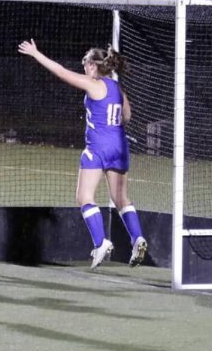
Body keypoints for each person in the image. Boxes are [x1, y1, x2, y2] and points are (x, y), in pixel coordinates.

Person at [18, 40, 147, 268]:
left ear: (92, 65)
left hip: (98, 146)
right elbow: (127, 116)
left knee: (84, 196)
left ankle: (100, 242)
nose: (83, 66)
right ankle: (137, 237)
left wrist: (36, 54)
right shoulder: (117, 88)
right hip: (120, 146)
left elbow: (60, 72)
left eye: (85, 62)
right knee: (121, 199)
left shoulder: (92, 83)